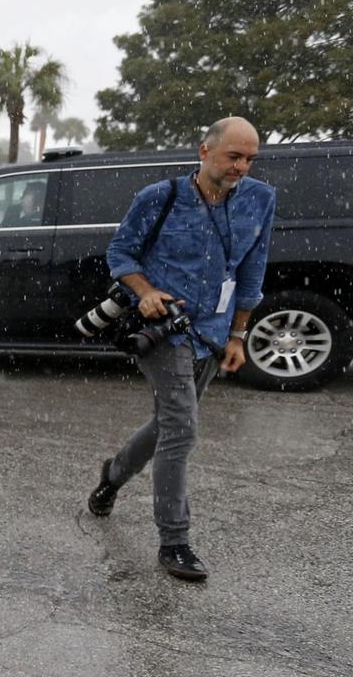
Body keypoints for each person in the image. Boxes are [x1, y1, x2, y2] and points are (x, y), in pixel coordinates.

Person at [86, 116, 276, 581]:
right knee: (183, 430)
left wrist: (238, 336)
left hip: (213, 332)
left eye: (250, 159)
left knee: (169, 423)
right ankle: (174, 541)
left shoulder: (260, 200)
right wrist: (145, 291)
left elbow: (253, 268)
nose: (242, 167)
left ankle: (112, 476)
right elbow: (121, 255)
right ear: (204, 150)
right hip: (163, 330)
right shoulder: (159, 198)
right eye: (234, 156)